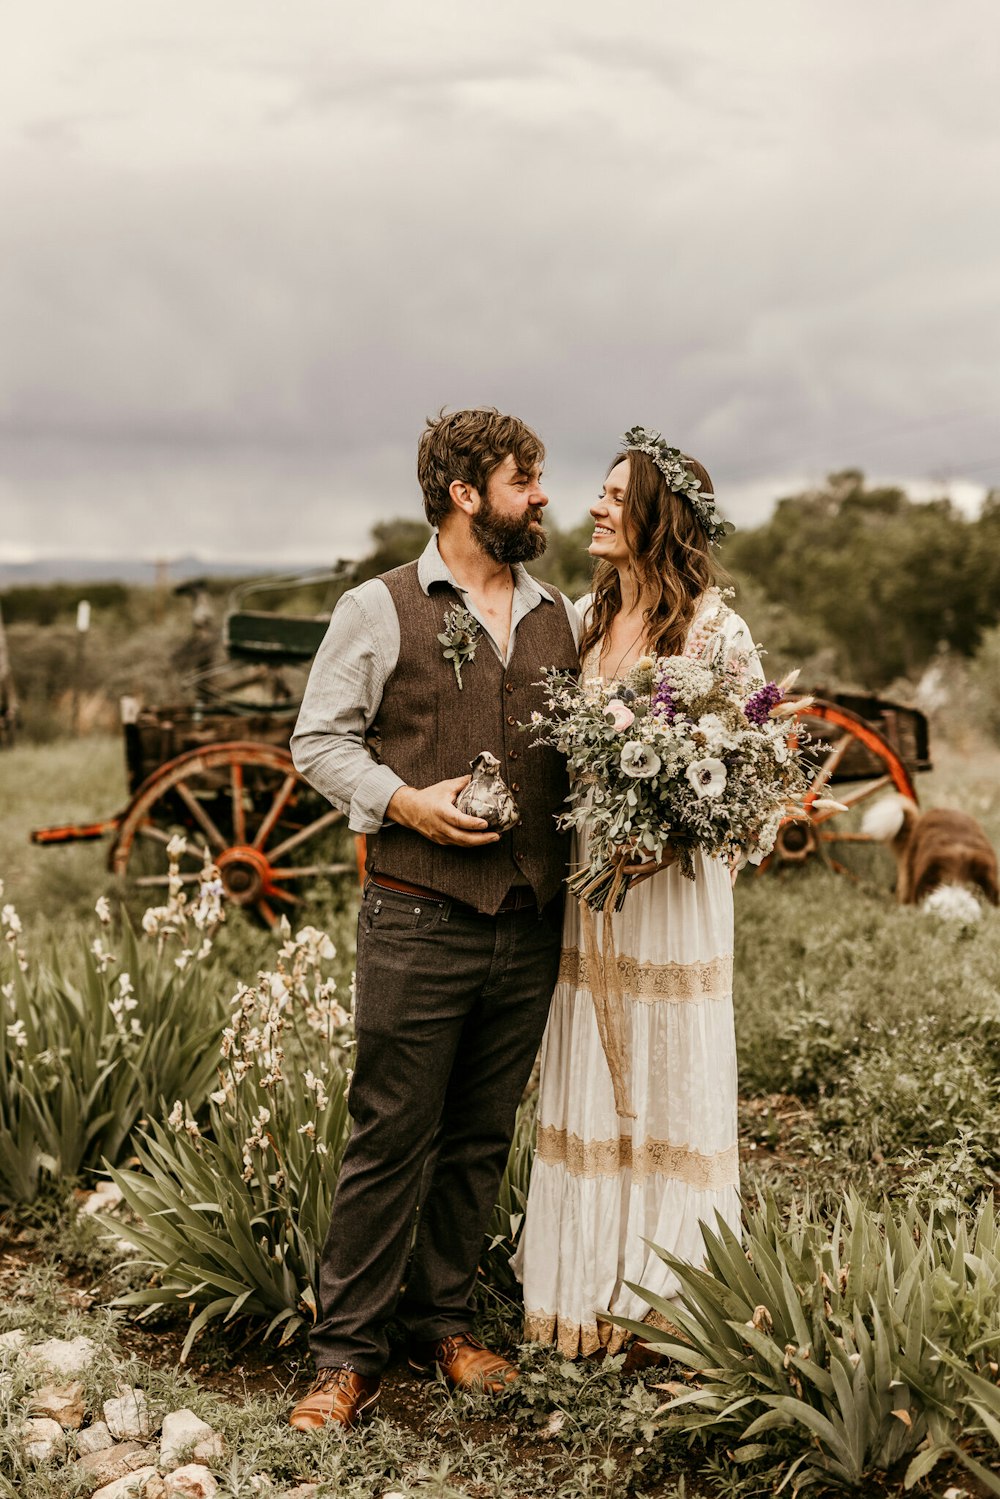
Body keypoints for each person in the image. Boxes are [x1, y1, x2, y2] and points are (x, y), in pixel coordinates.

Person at [287, 408, 580, 1429]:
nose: (541, 495)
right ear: (466, 493)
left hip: (528, 918)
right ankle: (342, 1356)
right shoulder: (379, 608)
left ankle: (444, 1324)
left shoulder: (561, 617)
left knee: (476, 1136)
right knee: (388, 1136)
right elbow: (317, 740)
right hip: (417, 915)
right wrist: (404, 800)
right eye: (522, 479)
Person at [514, 428, 763, 1362]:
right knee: (591, 1063)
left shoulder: (715, 633)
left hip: (671, 892)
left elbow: (751, 783)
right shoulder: (583, 619)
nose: (595, 507)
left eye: (617, 494)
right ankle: (581, 1296)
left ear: (660, 514)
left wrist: (665, 837)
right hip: (593, 885)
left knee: (667, 1073)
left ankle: (667, 1312)